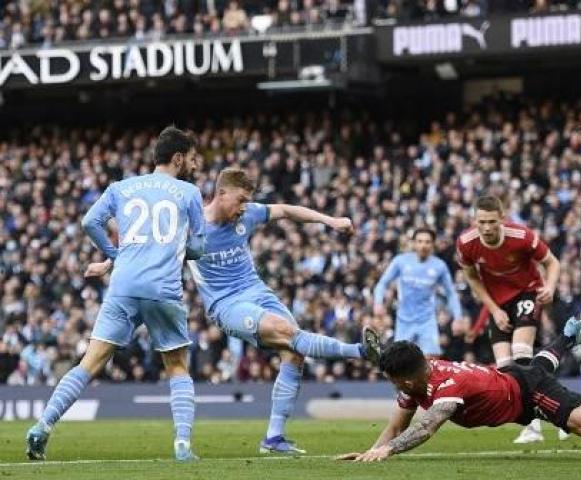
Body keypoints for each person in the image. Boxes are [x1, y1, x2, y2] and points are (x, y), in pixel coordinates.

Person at [26, 126, 205, 462]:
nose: (195, 166)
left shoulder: (121, 187)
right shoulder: (188, 193)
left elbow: (89, 222)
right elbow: (198, 246)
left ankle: (42, 426)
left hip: (122, 286)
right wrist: (180, 249)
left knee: (89, 363)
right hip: (162, 289)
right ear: (178, 158)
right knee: (177, 366)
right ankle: (182, 445)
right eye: (192, 159)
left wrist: (115, 255)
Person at [186, 167, 380, 454]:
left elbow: (287, 210)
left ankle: (274, 439)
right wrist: (109, 263)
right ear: (221, 193)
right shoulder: (192, 226)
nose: (243, 208)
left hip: (258, 292)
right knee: (289, 333)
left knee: (294, 352)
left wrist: (331, 220)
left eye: (247, 202)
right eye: (240, 200)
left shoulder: (249, 214)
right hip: (225, 304)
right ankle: (361, 352)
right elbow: (151, 248)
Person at [339, 317, 581, 464]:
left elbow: (424, 428)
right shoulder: (417, 373)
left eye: (392, 381)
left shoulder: (445, 386)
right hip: (504, 380)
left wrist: (388, 449)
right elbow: (397, 423)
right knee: (535, 363)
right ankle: (567, 338)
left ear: (404, 379)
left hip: (528, 394)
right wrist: (374, 451)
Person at [456, 194, 562, 443]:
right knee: (505, 368)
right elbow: (472, 277)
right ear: (474, 220)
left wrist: (550, 287)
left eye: (492, 221)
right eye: (481, 222)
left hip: (527, 292)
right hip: (498, 303)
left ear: (502, 219)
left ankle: (546, 418)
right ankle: (540, 418)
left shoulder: (522, 236)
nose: (487, 228)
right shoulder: (466, 243)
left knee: (521, 352)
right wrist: (493, 309)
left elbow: (552, 262)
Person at [373, 228, 466, 358]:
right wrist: (378, 303)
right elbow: (382, 283)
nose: (423, 245)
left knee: (431, 361)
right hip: (404, 320)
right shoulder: (401, 261)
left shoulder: (439, 266)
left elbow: (451, 293)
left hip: (427, 320)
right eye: (420, 241)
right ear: (414, 243)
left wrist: (458, 317)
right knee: (400, 362)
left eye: (427, 242)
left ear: (433, 244)